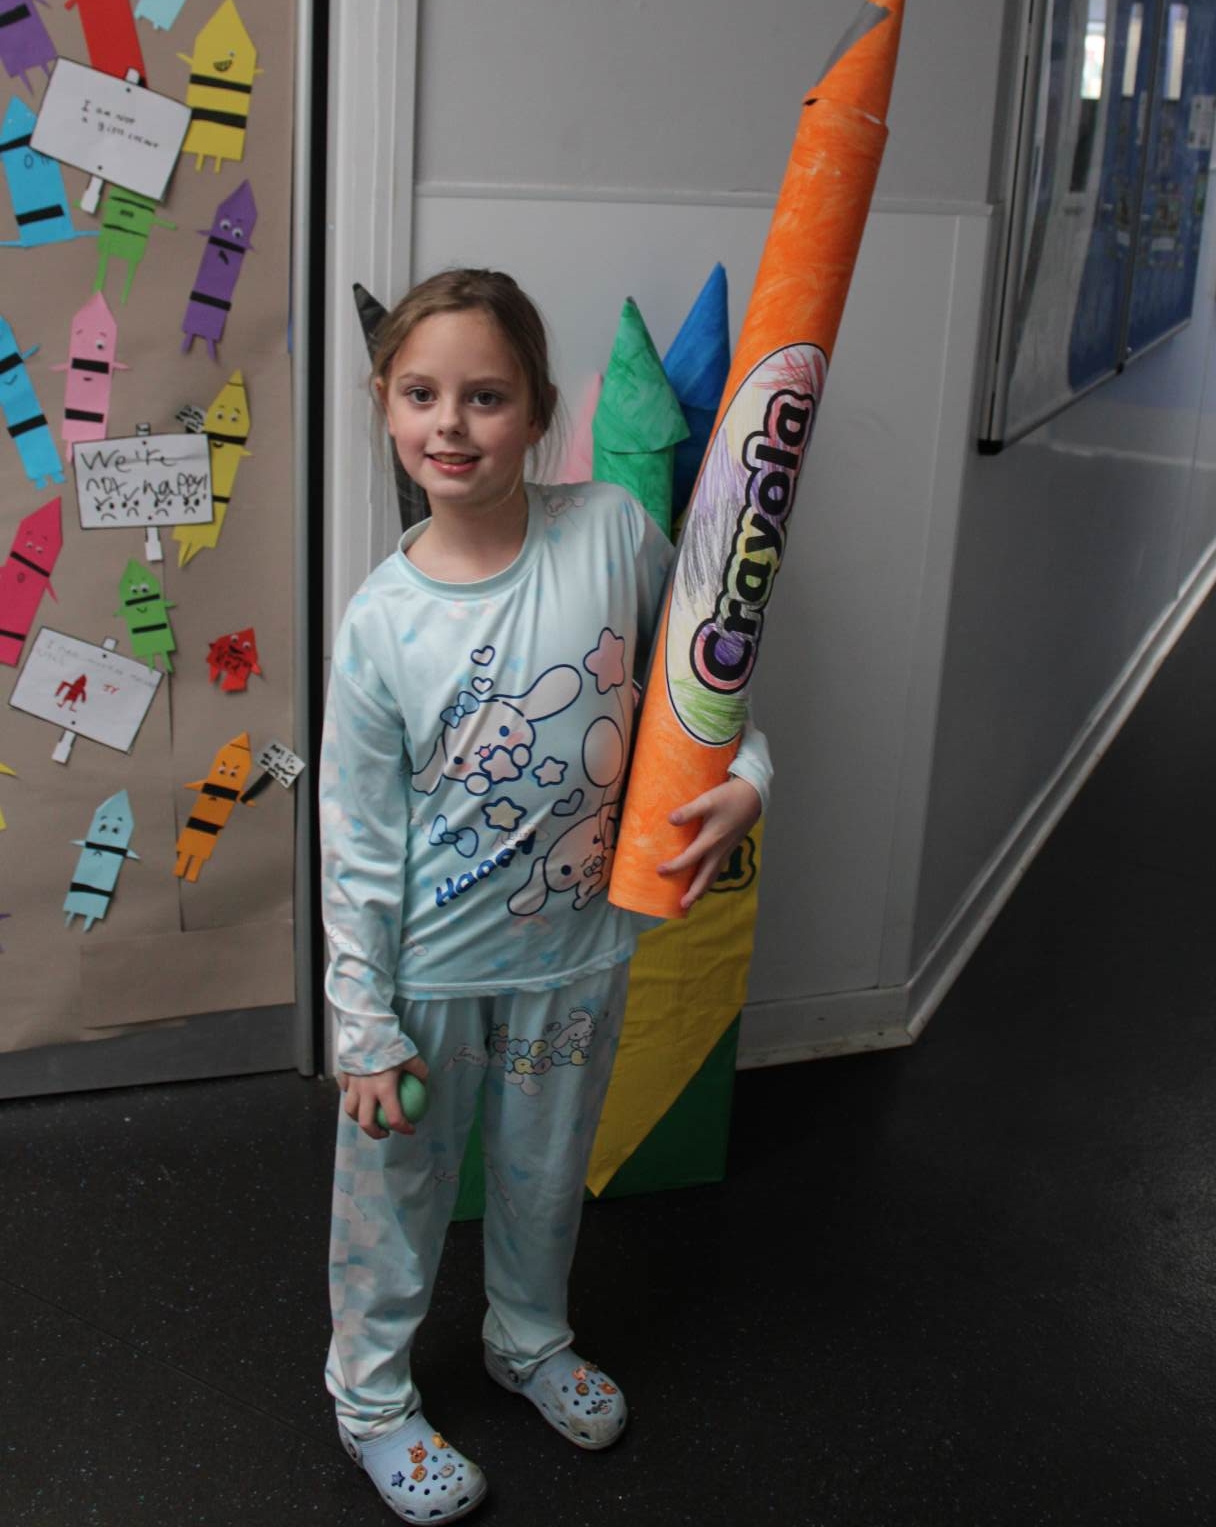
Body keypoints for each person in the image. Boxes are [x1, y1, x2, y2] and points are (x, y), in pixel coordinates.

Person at [322, 268, 771, 1521]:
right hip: (425, 981)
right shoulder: (379, 624)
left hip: (574, 960)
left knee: (541, 1177)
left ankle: (526, 1341)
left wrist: (747, 775)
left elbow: (700, 681)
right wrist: (362, 1022)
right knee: (394, 1205)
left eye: (484, 395)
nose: (450, 424)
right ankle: (370, 1400)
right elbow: (355, 842)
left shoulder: (614, 534)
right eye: (421, 395)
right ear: (385, 405)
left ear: (537, 410)